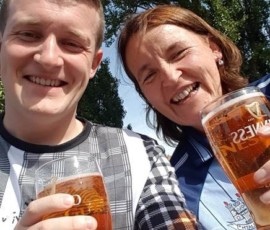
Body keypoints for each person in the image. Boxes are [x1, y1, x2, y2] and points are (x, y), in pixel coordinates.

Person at [0, 1, 201, 229]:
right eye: (28, 35)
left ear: (94, 64)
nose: (49, 58)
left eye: (72, 43)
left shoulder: (140, 156)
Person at [117, 4, 270, 229]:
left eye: (178, 53)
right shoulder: (174, 188)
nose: (170, 77)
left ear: (214, 48)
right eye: (149, 75)